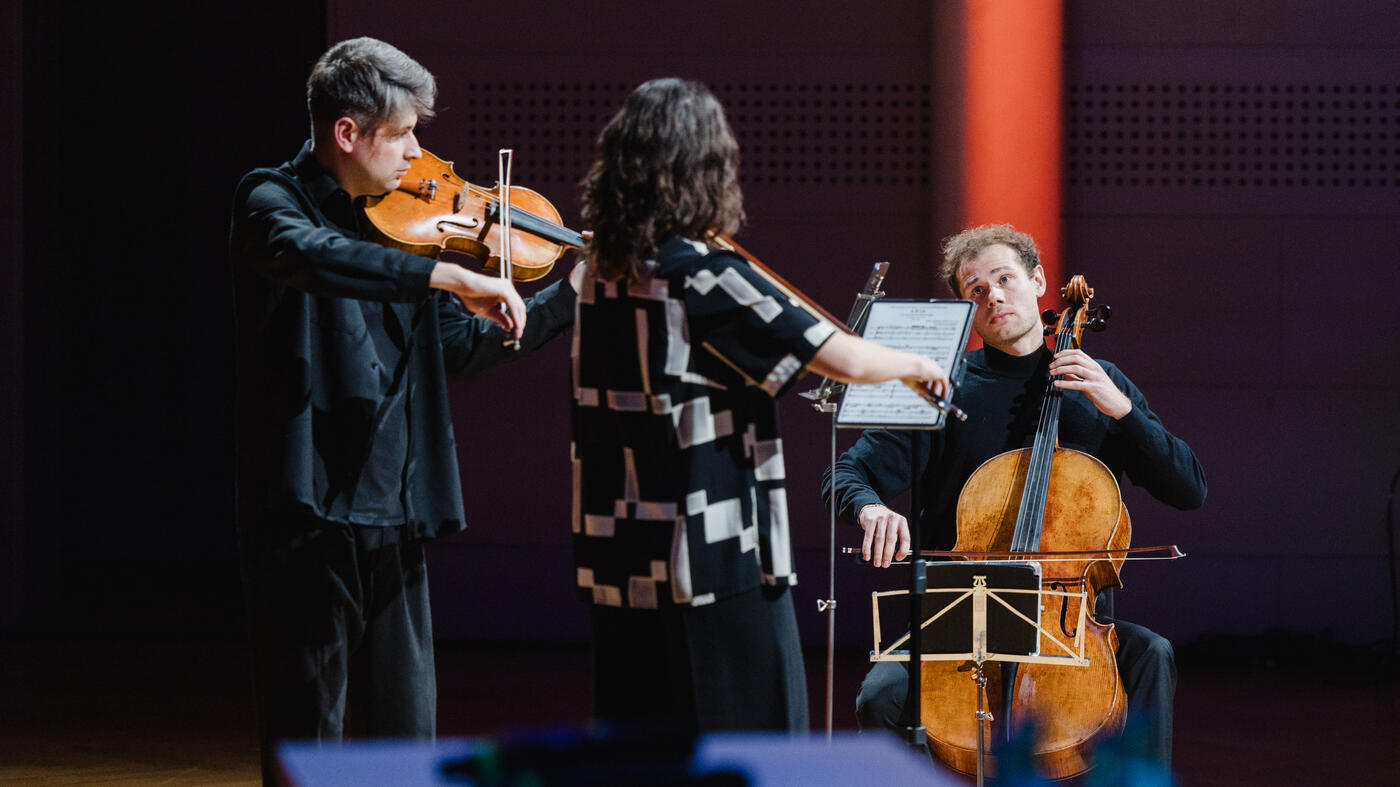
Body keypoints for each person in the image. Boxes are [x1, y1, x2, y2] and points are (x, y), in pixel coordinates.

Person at [228, 37, 580, 781]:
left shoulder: (415, 228)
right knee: (305, 733)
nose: (419, 153)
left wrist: (569, 299)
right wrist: (446, 275)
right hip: (306, 514)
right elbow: (321, 258)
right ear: (347, 133)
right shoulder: (271, 202)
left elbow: (462, 350)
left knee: (408, 731)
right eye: (404, 133)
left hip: (394, 509)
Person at [570, 77, 952, 735]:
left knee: (637, 745)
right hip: (709, 552)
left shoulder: (597, 269)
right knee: (747, 735)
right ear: (705, 169)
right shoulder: (703, 270)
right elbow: (847, 358)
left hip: (619, 549)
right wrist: (917, 363)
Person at [823, 224, 1206, 769]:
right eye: (975, 289)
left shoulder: (1101, 385)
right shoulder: (942, 386)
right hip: (961, 621)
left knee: (1152, 655)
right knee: (879, 695)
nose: (993, 295)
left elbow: (1189, 488)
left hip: (1073, 627)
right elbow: (846, 473)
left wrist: (1122, 410)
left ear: (1039, 281)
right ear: (965, 308)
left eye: (1004, 278)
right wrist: (870, 505)